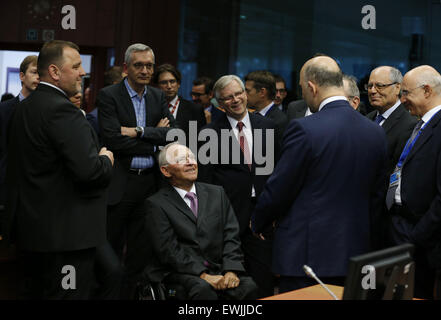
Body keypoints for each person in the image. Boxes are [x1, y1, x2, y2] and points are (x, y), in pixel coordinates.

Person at [251, 56, 388, 293]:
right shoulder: (375, 132)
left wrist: (258, 222)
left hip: (306, 255)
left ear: (312, 87)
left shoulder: (305, 128)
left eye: (303, 89)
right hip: (355, 253)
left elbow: (281, 188)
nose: (303, 95)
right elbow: (377, 197)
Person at [4, 40, 114, 299]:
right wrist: (106, 159)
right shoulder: (62, 110)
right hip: (66, 238)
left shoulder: (25, 107)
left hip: (33, 232)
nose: (82, 72)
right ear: (54, 72)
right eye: (75, 66)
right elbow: (90, 173)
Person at [97, 43, 175, 298]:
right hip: (120, 184)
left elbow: (171, 135)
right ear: (125, 68)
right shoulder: (109, 95)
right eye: (138, 65)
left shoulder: (157, 96)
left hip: (149, 185)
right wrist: (153, 139)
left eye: (149, 65)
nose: (145, 70)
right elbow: (112, 139)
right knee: (112, 251)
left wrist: (139, 131)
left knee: (140, 253)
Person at [144, 142, 258, 300]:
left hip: (218, 268)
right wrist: (203, 275)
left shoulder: (216, 193)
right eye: (182, 160)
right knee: (203, 290)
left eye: (191, 157)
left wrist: (231, 270)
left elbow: (231, 236)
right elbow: (169, 251)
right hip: (180, 272)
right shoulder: (156, 204)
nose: (191, 162)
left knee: (248, 287)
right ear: (165, 170)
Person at [198, 75, 278, 298]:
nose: (235, 100)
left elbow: (277, 173)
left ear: (245, 93)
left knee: (263, 281)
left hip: (261, 218)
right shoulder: (210, 133)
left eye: (238, 93)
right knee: (231, 285)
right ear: (220, 104)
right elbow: (206, 182)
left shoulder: (268, 126)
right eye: (228, 98)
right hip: (228, 218)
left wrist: (273, 212)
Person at [385, 65, 441, 299]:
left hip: (421, 237)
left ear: (427, 90)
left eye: (406, 93)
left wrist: (417, 236)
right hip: (400, 225)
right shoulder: (421, 124)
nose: (402, 99)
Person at [0, 55, 39, 235]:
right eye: (34, 72)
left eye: (41, 73)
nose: (38, 77)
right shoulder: (4, 110)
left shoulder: (47, 111)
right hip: (8, 188)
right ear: (22, 76)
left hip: (37, 190)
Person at [366, 66, 418, 176]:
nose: (373, 91)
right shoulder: (367, 119)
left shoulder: (410, 124)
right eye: (370, 86)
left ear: (397, 88)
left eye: (380, 86)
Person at [153, 64, 206, 145]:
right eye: (164, 82)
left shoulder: (194, 109)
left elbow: (199, 142)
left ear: (178, 84)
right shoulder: (150, 107)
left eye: (172, 81)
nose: (169, 86)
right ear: (157, 86)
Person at [244, 71, 288, 147]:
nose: (244, 95)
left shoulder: (278, 121)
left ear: (262, 92)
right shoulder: (250, 115)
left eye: (248, 91)